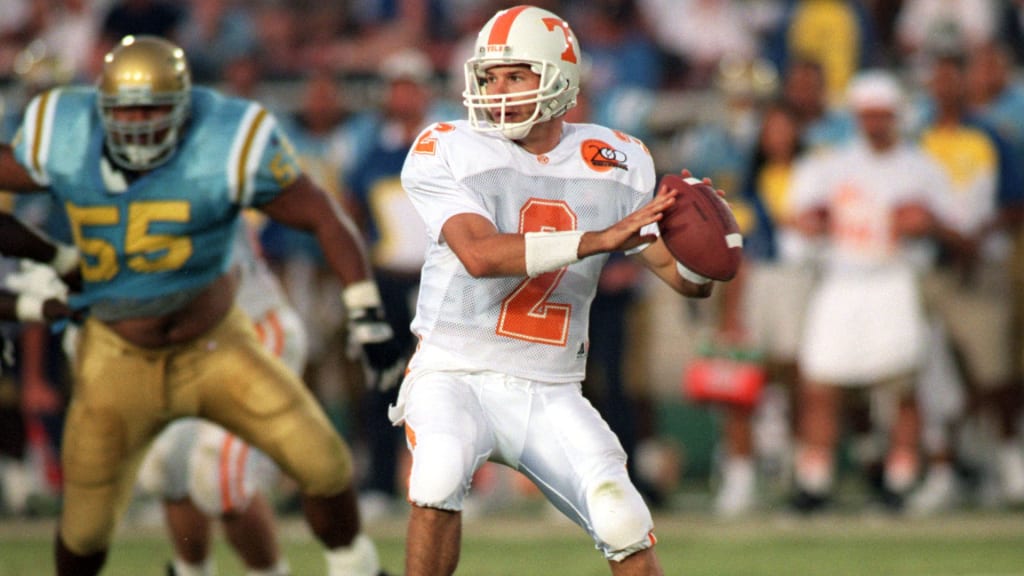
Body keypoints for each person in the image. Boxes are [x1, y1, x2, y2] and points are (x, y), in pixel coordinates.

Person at [0, 35, 402, 576]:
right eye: (126, 109)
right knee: (91, 524)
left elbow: (322, 214)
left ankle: (354, 567)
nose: (138, 123)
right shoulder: (65, 136)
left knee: (312, 464)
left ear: (183, 109)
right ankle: (193, 570)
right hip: (117, 349)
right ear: (101, 108)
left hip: (221, 339)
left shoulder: (224, 142)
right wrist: (49, 264)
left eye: (153, 108)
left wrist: (367, 316)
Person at [393, 6, 719, 575]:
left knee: (623, 520)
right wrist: (597, 239)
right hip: (453, 370)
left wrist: (706, 240)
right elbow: (479, 255)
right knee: (438, 471)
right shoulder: (446, 146)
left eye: (515, 75)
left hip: (549, 386)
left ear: (560, 80)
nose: (497, 90)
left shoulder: (616, 159)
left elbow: (686, 281)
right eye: (490, 76)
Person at [788, 70, 961, 513]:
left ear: (897, 116)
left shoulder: (921, 167)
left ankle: (900, 480)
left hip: (894, 280)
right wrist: (813, 222)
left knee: (902, 385)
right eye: (868, 115)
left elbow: (956, 228)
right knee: (821, 382)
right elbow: (798, 221)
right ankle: (814, 481)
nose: (875, 123)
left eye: (883, 115)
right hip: (841, 282)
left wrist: (926, 224)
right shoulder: (831, 165)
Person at [132, 222, 308, 576]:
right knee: (167, 463)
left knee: (220, 479)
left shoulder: (208, 187)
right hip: (179, 340)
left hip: (250, 330)